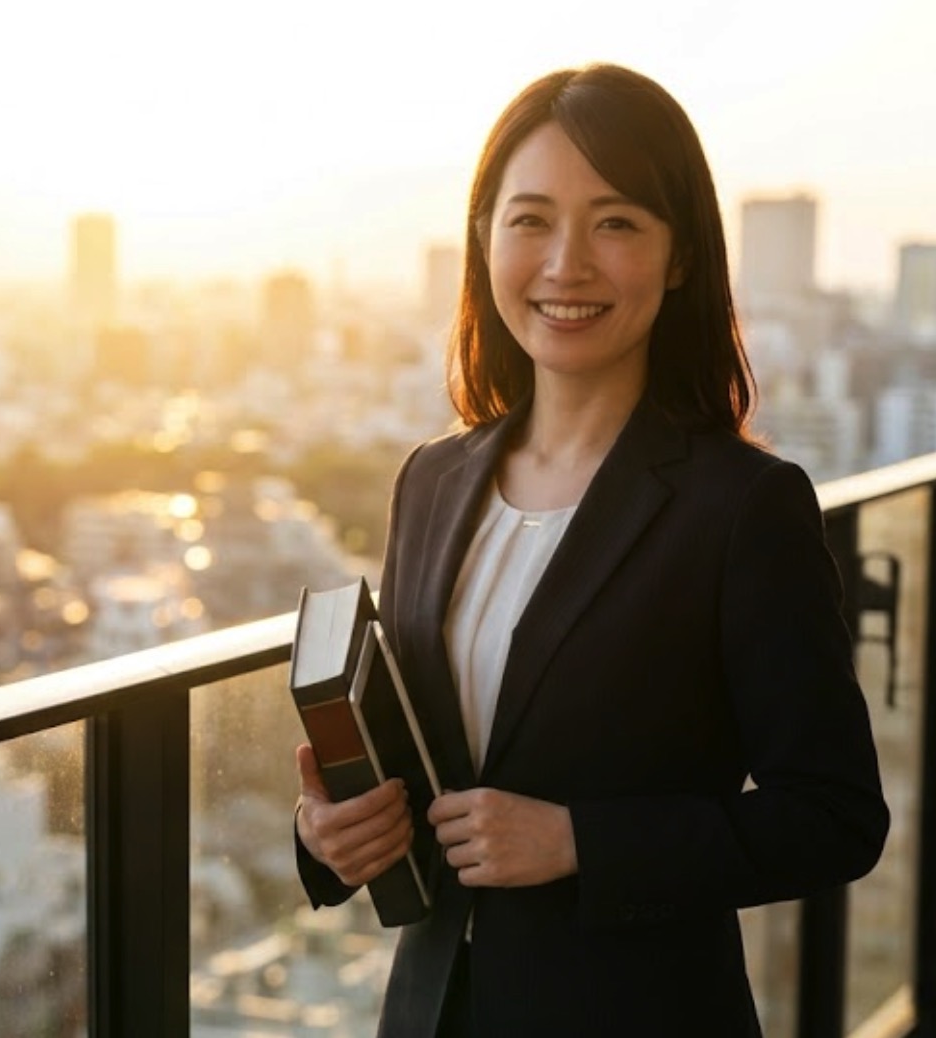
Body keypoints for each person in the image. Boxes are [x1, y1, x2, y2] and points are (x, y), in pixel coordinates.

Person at [293, 64, 889, 1037]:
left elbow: (833, 817)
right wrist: (328, 832)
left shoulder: (741, 507)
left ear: (681, 255)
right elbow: (418, 759)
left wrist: (582, 842)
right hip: (434, 1010)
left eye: (614, 223)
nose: (565, 263)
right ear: (483, 238)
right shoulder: (432, 481)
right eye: (528, 220)